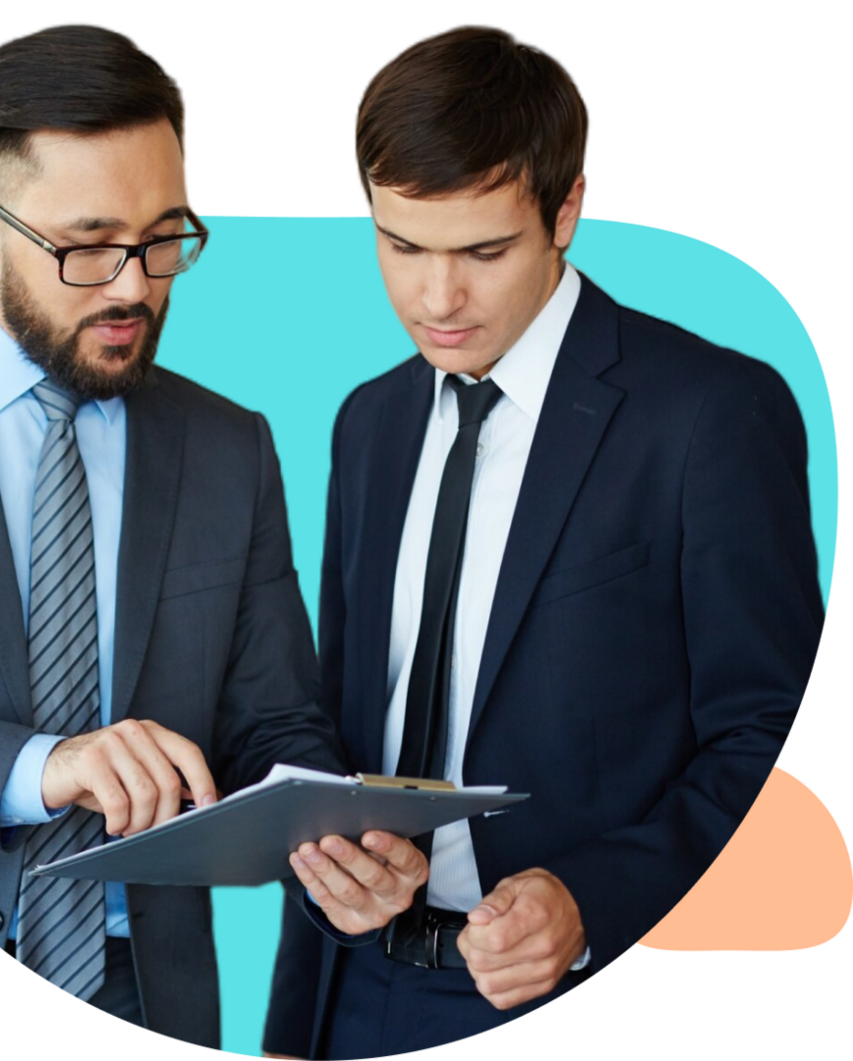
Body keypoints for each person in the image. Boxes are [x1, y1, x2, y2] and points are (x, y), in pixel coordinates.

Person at [0, 21, 428, 1050]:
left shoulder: (232, 444)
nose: (134, 283)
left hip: (149, 990)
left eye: (164, 236)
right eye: (86, 246)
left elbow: (273, 724)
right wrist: (45, 766)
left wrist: (332, 840)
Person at [262, 23, 824, 1060]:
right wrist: (294, 1022)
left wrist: (592, 898)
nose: (437, 299)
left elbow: (770, 733)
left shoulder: (712, 412)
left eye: (483, 250)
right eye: (403, 245)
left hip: (570, 979)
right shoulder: (366, 420)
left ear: (567, 210)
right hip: (356, 994)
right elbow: (335, 711)